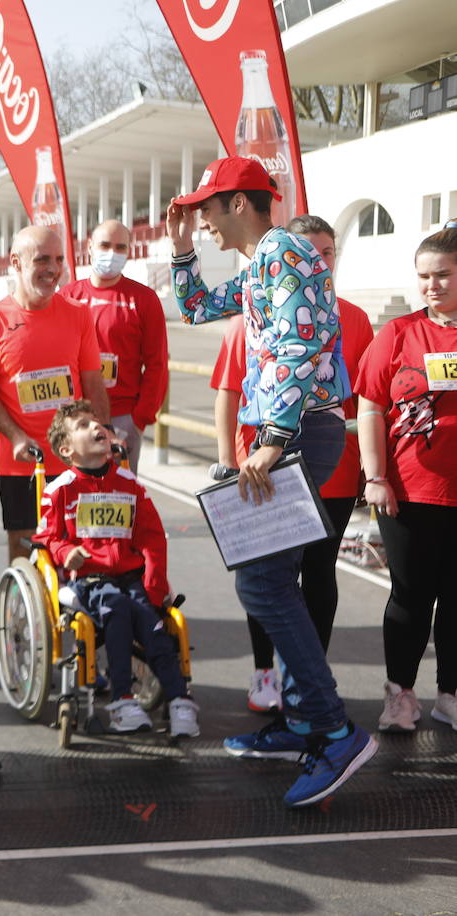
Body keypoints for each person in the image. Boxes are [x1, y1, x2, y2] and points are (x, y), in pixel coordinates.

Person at [166, 155, 375, 807]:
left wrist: (273, 440)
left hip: (300, 428)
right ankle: (308, 722)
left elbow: (299, 344)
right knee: (269, 577)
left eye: (206, 207)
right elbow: (199, 307)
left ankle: (334, 730)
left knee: (262, 578)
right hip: (299, 427)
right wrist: (178, 254)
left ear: (237, 203)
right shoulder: (264, 259)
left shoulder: (282, 251)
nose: (199, 218)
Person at [209, 214, 373, 712]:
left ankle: (315, 708)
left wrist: (369, 468)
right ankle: (287, 692)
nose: (316, 263)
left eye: (326, 254)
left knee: (297, 576)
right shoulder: (256, 299)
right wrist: (229, 459)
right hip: (269, 454)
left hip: (314, 455)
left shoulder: (353, 315)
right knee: (268, 578)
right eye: (309, 253)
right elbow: (228, 386)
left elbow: (361, 397)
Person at [34, 400, 200, 736]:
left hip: (131, 577)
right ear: (66, 449)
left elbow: (153, 538)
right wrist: (67, 552)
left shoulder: (130, 485)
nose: (96, 426)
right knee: (119, 609)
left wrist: (154, 589)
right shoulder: (60, 490)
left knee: (154, 625)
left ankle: (180, 700)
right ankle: (123, 699)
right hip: (89, 581)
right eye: (83, 425)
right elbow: (46, 538)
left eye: (96, 421)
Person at [356, 227, 457, 733]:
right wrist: (375, 476)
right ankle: (400, 695)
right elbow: (370, 406)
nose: (432, 285)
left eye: (443, 274)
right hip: (410, 491)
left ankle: (451, 694)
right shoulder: (397, 334)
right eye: (424, 277)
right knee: (411, 598)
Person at [0, 225, 109, 563]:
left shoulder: (78, 314)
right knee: (24, 547)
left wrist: (104, 434)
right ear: (15, 262)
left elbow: (93, 382)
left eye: (58, 259)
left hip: (77, 459)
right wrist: (15, 437)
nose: (53, 268)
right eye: (42, 259)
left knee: (81, 548)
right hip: (24, 465)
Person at [58, 219, 168, 473]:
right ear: (89, 246)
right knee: (73, 500)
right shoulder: (67, 297)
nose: (112, 253)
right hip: (76, 419)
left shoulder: (144, 299)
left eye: (121, 247)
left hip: (124, 419)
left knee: (118, 502)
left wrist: (139, 419)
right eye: (105, 245)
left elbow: (157, 364)